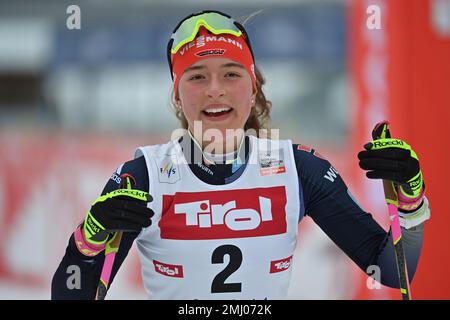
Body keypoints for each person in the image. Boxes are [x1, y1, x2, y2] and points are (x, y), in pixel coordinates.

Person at [51, 10, 430, 300]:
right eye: (197, 76)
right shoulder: (145, 176)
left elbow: (391, 275)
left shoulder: (299, 170)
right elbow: (70, 293)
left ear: (253, 90)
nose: (215, 90)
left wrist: (411, 200)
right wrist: (89, 240)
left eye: (231, 74)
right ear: (177, 96)